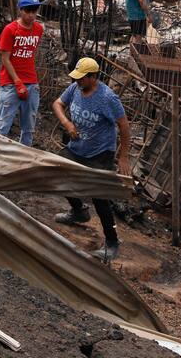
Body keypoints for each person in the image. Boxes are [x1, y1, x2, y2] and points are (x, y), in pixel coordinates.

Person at [52, 57, 132, 262]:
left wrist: (123, 157)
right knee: (57, 170)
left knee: (99, 196)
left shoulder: (107, 98)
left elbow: (123, 126)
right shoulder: (75, 89)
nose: (77, 81)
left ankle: (112, 242)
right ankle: (79, 211)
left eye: (81, 78)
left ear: (93, 77)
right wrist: (67, 124)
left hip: (100, 153)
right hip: (78, 148)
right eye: (76, 78)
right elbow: (58, 104)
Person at [0, 0, 44, 146]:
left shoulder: (38, 29)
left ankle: (24, 156)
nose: (31, 15)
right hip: (11, 83)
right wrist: (17, 81)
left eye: (34, 11)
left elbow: (31, 54)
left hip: (31, 83)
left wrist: (29, 82)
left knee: (29, 126)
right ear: (20, 11)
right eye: (28, 11)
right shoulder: (10, 30)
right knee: (3, 125)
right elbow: (5, 58)